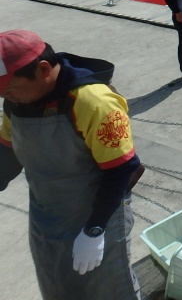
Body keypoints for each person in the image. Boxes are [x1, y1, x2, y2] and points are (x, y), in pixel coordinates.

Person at [0, 30, 143, 299]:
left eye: (10, 89)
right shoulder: (15, 103)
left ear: (43, 69)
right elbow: (7, 152)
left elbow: (121, 168)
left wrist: (94, 230)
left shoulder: (93, 101)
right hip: (46, 216)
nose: (7, 97)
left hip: (98, 214)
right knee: (57, 286)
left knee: (110, 290)